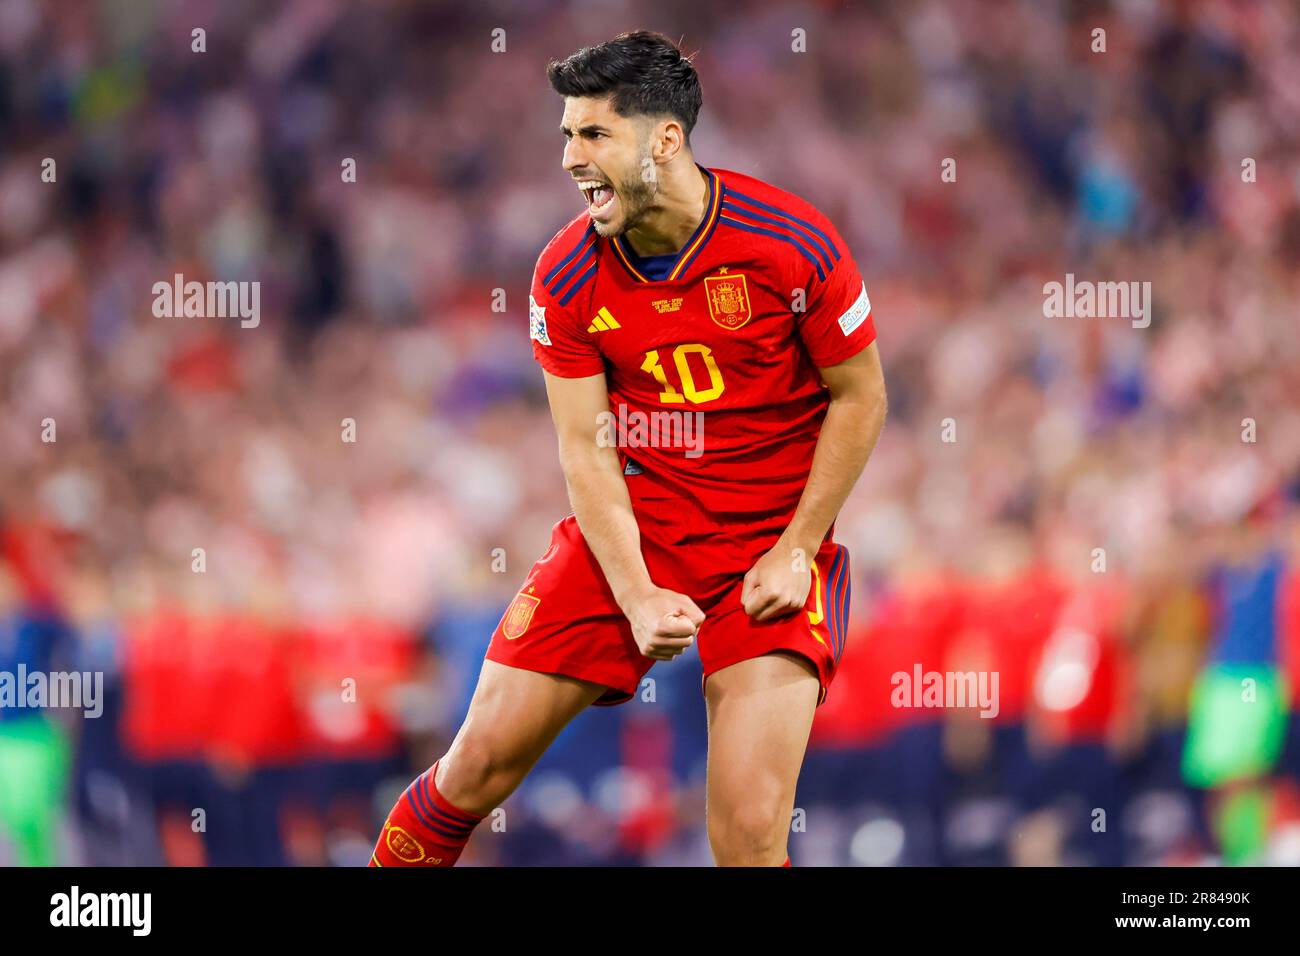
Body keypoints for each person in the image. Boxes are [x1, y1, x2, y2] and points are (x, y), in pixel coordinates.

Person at [371, 29, 887, 867]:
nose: (572, 156)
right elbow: (585, 448)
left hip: (767, 553)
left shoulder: (791, 244)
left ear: (666, 140)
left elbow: (861, 397)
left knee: (750, 836)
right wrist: (638, 591)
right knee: (476, 764)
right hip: (633, 538)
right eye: (566, 135)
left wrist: (798, 548)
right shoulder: (564, 274)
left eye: (594, 134)